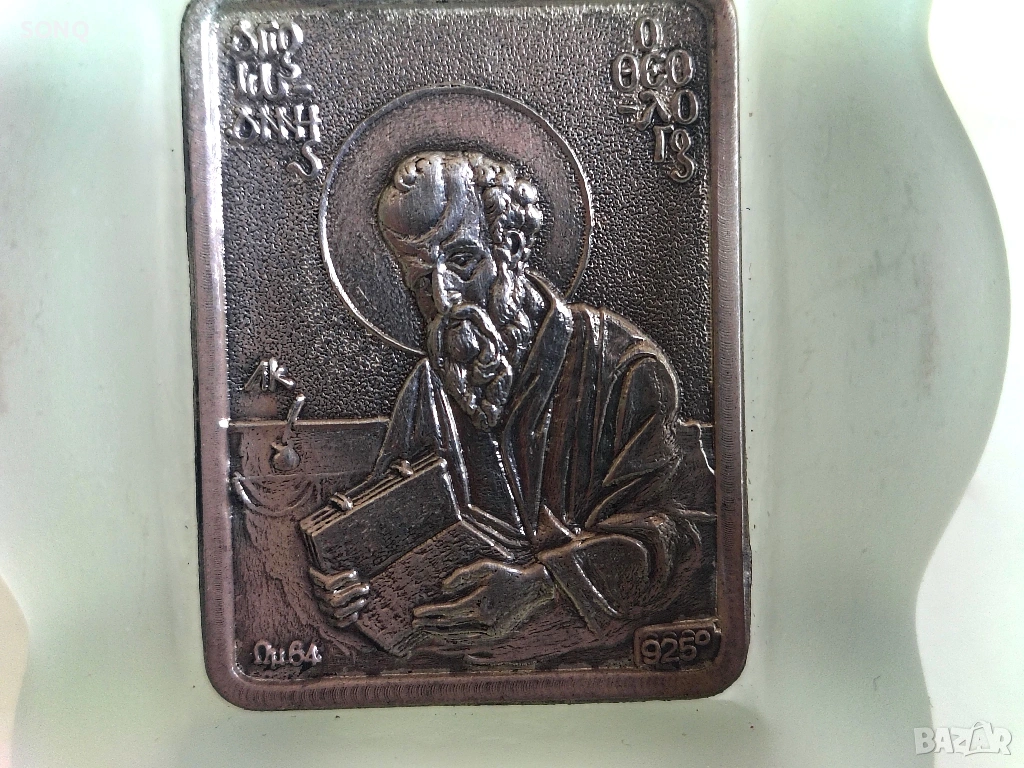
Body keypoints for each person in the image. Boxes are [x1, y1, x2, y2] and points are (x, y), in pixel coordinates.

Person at [309, 150, 713, 662]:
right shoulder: (429, 388)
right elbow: (387, 535)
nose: (445, 298)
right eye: (421, 280)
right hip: (452, 677)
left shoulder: (624, 369)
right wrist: (349, 588)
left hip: (591, 668)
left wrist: (539, 585)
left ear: (513, 247)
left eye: (462, 261)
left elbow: (673, 539)